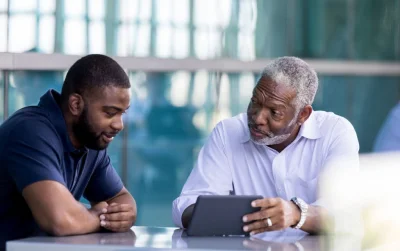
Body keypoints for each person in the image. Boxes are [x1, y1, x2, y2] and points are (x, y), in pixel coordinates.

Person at [172, 57, 359, 235]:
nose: (258, 118)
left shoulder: (335, 132)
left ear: (303, 115)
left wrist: (296, 214)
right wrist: (223, 216)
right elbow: (186, 206)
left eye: (274, 112)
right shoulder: (227, 133)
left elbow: (344, 214)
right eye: (255, 102)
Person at [0, 54, 137, 247]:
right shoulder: (30, 131)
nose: (119, 124)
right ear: (76, 104)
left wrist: (122, 215)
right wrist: (98, 217)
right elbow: (60, 220)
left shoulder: (91, 139)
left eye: (122, 113)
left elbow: (122, 200)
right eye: (110, 113)